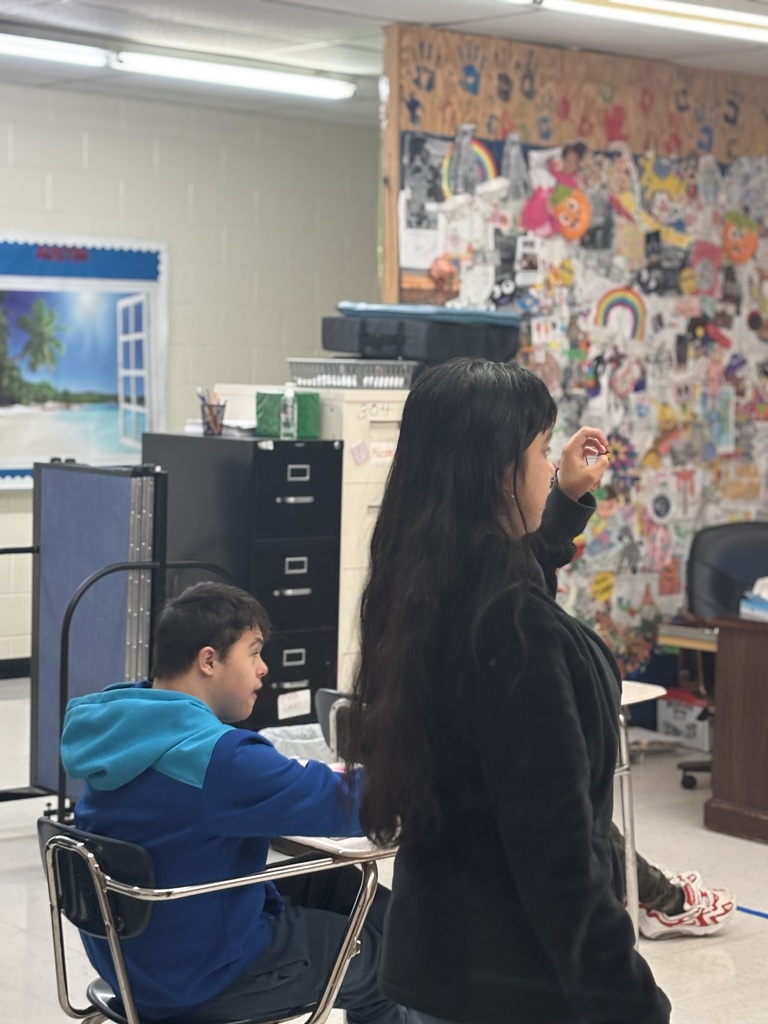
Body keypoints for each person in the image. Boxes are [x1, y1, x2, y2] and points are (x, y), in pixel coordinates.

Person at [346, 357, 671, 1024]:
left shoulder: (420, 585)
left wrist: (565, 504)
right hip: (507, 985)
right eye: (543, 450)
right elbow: (559, 860)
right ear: (499, 469)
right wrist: (633, 1006)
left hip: (431, 965)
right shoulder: (513, 632)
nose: (551, 465)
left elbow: (508, 568)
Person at [60, 581, 407, 1024]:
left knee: (343, 889)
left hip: (140, 959)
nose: (264, 669)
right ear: (209, 660)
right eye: (254, 652)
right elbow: (346, 804)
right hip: (204, 977)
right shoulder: (217, 759)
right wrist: (418, 772)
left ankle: (421, 943)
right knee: (382, 965)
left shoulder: (123, 725)